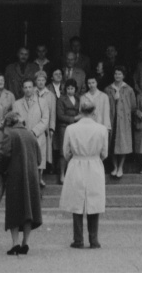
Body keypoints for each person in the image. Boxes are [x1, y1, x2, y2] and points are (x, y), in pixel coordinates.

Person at [59, 97, 109, 249]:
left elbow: (66, 152)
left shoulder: (71, 129)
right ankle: (94, 239)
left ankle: (78, 239)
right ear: (94, 111)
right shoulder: (102, 129)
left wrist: (75, 158)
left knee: (77, 202)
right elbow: (104, 153)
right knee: (93, 201)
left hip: (77, 164)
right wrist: (95, 158)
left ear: (80, 111)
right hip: (94, 164)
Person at [0, 112, 42, 255]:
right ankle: (26, 242)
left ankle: (15, 243)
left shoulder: (10, 134)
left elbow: (4, 155)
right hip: (31, 176)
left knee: (14, 208)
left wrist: (2, 171)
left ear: (9, 123)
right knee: (28, 208)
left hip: (15, 176)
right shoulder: (31, 134)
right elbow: (39, 158)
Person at [13, 78, 50, 188]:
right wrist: (23, 131)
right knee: (24, 158)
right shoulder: (17, 104)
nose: (28, 89)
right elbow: (15, 119)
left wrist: (34, 131)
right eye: (25, 87)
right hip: (23, 135)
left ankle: (39, 178)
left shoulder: (42, 102)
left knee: (38, 158)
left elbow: (45, 119)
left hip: (38, 135)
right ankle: (26, 180)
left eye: (30, 87)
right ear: (22, 89)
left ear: (34, 88)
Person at [106, 66, 136, 177]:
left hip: (124, 120)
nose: (117, 76)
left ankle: (120, 167)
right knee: (112, 143)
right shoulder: (108, 89)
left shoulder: (129, 89)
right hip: (111, 119)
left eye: (119, 74)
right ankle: (114, 166)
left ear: (123, 75)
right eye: (116, 74)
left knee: (123, 143)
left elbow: (133, 106)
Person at [56, 79, 82, 182]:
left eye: (72, 88)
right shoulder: (61, 100)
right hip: (64, 127)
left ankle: (72, 174)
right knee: (64, 151)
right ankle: (62, 174)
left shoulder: (78, 99)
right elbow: (60, 115)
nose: (70, 90)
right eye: (68, 88)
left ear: (75, 89)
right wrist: (74, 118)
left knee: (74, 150)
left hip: (76, 127)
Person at [34, 70, 57, 177]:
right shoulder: (32, 92)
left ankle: (41, 176)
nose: (41, 82)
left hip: (46, 127)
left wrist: (52, 128)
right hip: (34, 125)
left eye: (43, 80)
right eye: (38, 80)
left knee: (44, 152)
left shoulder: (50, 95)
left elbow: (53, 112)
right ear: (35, 81)